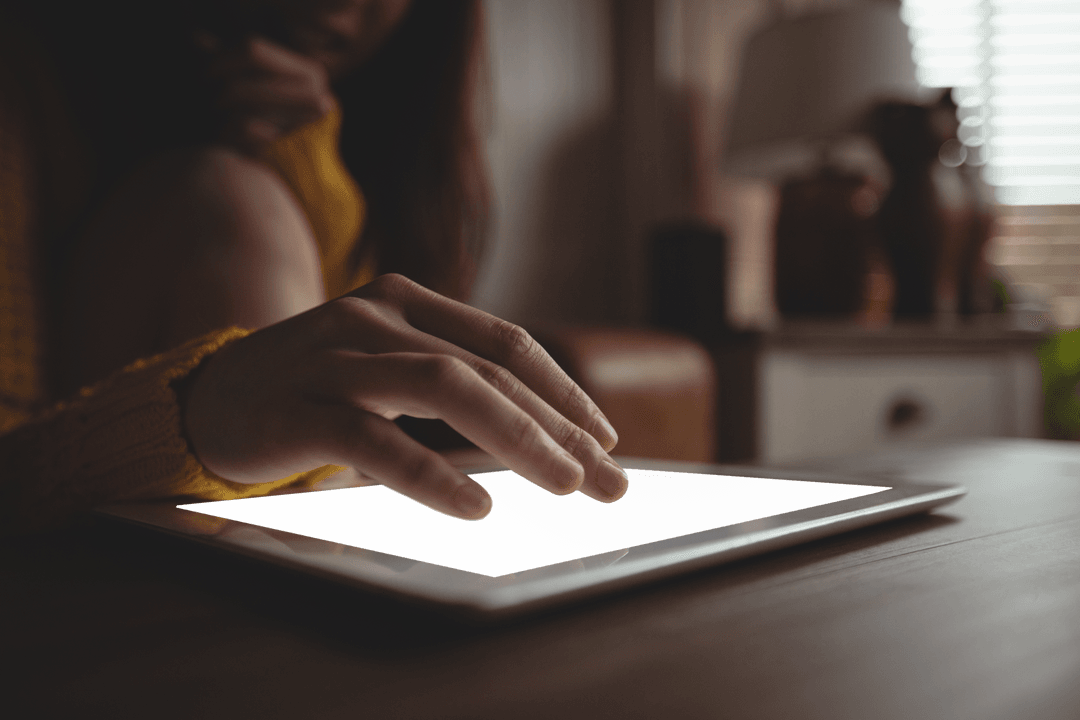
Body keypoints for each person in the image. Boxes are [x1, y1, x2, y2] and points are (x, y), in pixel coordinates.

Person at [0, 0, 627, 534]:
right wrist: (187, 418)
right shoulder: (30, 83)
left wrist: (312, 175)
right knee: (228, 198)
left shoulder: (375, 131)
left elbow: (327, 395)